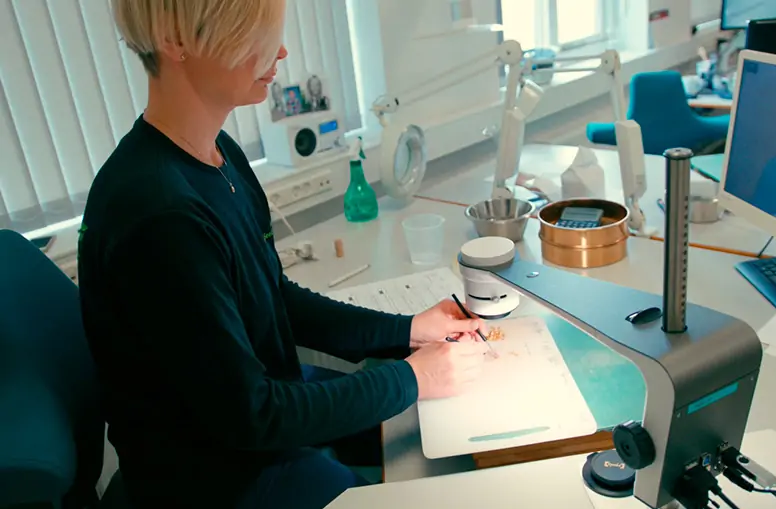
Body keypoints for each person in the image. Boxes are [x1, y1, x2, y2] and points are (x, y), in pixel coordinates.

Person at [77, 1, 488, 508]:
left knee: (445, 431)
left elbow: (276, 299)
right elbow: (252, 415)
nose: (282, 52)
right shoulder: (159, 215)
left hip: (264, 421)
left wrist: (406, 331)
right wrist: (412, 376)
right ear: (176, 42)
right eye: (255, 36)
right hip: (219, 477)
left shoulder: (217, 152)